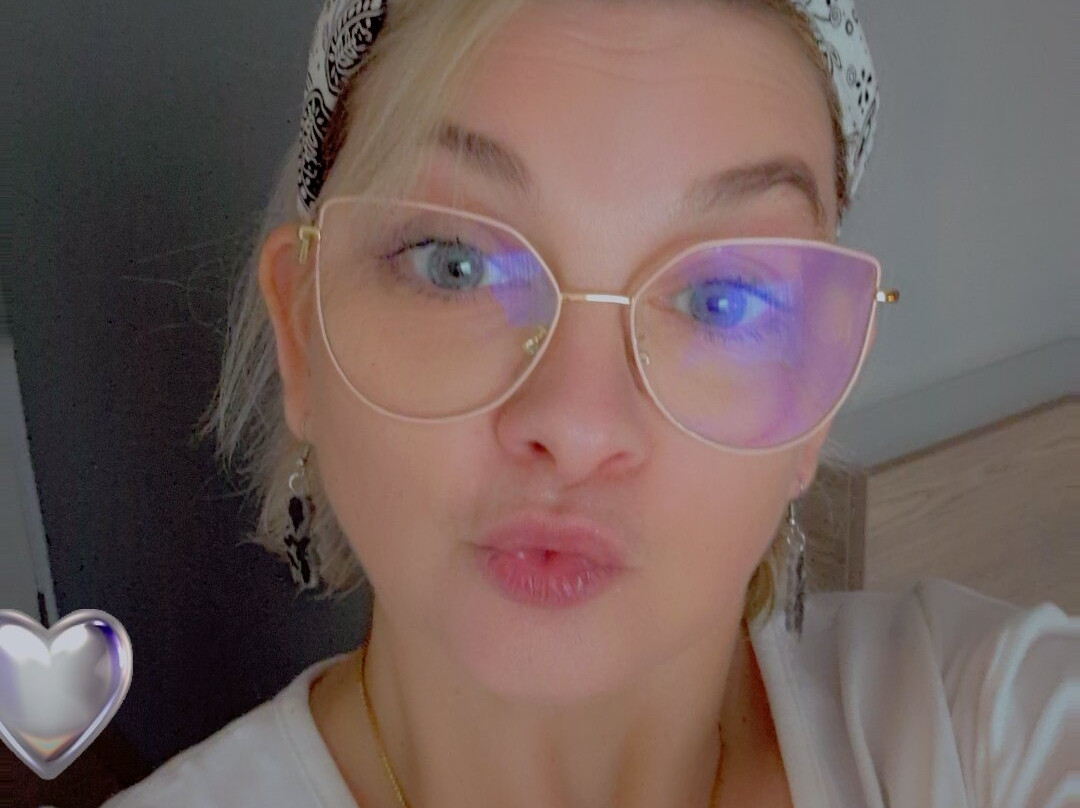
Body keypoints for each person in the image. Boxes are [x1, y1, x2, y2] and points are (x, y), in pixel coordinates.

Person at [101, 0, 1076, 806]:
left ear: (812, 405)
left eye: (723, 298)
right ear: (302, 335)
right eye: (456, 263)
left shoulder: (981, 728)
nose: (576, 427)